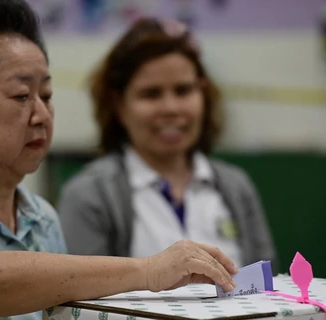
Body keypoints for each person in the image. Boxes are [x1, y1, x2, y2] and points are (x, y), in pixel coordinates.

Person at [0, 1, 238, 319]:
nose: (41, 115)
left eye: (45, 95)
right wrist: (148, 271)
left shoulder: (41, 218)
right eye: (20, 96)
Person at [57, 18, 277, 269]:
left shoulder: (236, 188)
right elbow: (85, 299)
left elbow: (265, 288)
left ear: (202, 94)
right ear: (119, 104)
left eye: (183, 91)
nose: (171, 108)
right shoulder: (89, 195)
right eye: (151, 94)